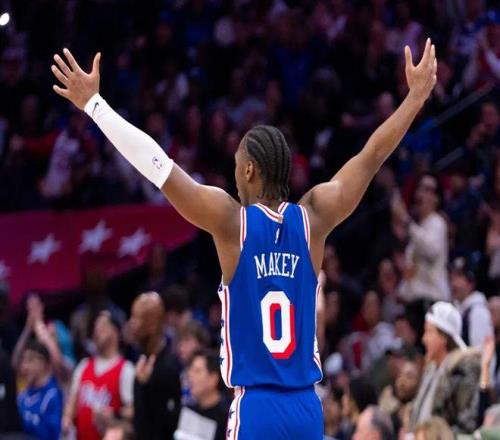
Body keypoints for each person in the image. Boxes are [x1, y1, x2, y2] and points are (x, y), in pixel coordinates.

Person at [51, 38, 437, 439]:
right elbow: (370, 157)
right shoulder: (315, 218)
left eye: (237, 162)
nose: (233, 171)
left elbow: (158, 166)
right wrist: (415, 98)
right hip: (307, 408)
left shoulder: (231, 223)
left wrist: (94, 105)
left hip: (257, 406)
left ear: (250, 170)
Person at [409, 301, 481, 433]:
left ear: (443, 337)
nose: (424, 339)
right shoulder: (431, 369)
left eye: (429, 332)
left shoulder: (461, 370)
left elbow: (466, 422)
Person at [62, 311, 134, 440]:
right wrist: (66, 419)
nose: (96, 330)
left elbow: (133, 410)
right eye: (95, 327)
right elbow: (72, 402)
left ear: (116, 332)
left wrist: (114, 414)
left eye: (103, 326)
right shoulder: (84, 365)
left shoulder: (126, 369)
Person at [128, 292, 181, 440]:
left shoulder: (168, 368)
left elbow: (169, 425)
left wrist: (146, 387)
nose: (131, 323)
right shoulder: (142, 358)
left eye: (136, 318)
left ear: (152, 324)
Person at [175, 349, 230, 440]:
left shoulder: (227, 418)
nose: (190, 375)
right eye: (190, 369)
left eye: (197, 371)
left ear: (213, 379)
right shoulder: (188, 408)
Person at [17, 339, 63, 440]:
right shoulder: (22, 396)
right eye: (23, 360)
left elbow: (54, 435)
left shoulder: (52, 396)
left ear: (44, 364)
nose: (24, 366)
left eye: (30, 360)